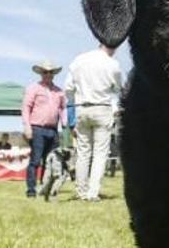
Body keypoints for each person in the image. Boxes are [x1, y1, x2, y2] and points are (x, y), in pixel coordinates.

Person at [65, 45, 122, 201]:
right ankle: (92, 192)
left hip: (82, 108)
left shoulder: (79, 60)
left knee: (83, 152)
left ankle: (81, 191)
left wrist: (76, 102)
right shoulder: (113, 64)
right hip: (102, 108)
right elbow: (118, 90)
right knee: (100, 153)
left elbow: (68, 88)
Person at [22, 60, 66, 198]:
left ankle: (45, 187)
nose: (48, 74)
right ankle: (31, 190)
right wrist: (27, 127)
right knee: (35, 160)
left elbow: (63, 108)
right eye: (45, 72)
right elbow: (25, 108)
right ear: (41, 73)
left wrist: (64, 123)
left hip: (53, 130)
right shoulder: (33, 88)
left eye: (51, 72)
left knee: (52, 162)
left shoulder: (59, 91)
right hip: (36, 128)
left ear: (54, 74)